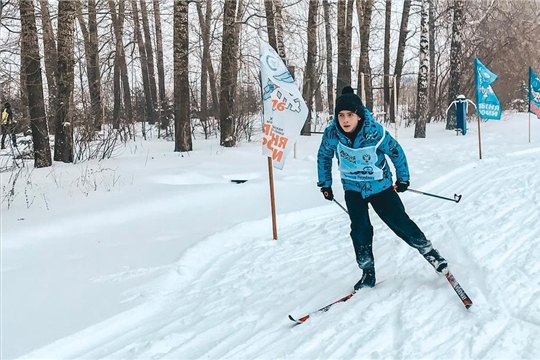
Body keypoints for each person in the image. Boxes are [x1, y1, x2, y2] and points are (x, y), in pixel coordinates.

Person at [317, 86, 448, 291]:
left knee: (400, 222)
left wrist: (402, 179)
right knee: (360, 230)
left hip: (381, 186)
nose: (345, 120)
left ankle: (430, 253)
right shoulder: (332, 133)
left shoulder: (374, 132)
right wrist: (325, 183)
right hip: (353, 188)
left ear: (358, 116)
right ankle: (367, 272)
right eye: (341, 115)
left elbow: (396, 152)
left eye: (350, 115)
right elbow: (324, 156)